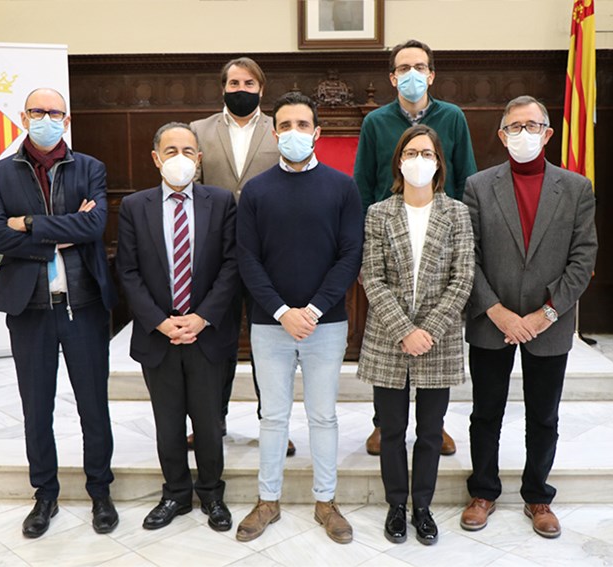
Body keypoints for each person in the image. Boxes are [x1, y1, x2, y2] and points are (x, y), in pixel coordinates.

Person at [0, 87, 119, 538]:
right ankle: (45, 495)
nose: (46, 118)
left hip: (84, 303)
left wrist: (28, 224)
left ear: (67, 119)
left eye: (54, 112)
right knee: (36, 408)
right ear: (23, 117)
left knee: (93, 406)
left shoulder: (89, 168)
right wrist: (60, 234)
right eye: (37, 111)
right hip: (29, 308)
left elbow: (94, 225)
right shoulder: (1, 173)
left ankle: (100, 492)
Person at [459, 96, 597, 538]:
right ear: (502, 136)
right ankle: (483, 491)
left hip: (549, 323)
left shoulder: (576, 188)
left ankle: (538, 495)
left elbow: (583, 258)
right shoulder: (478, 186)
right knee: (486, 412)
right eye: (514, 127)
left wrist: (546, 313)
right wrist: (496, 310)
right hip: (491, 320)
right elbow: (468, 256)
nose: (524, 133)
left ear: (547, 133)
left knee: (544, 415)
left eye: (532, 125)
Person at [235, 92, 363, 544]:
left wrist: (311, 310)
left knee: (323, 416)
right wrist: (281, 311)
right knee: (273, 417)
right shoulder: (256, 190)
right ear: (275, 134)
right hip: (269, 324)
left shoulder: (342, 187)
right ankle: (267, 500)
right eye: (285, 125)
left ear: (317, 132)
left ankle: (325, 501)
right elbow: (247, 259)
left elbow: (350, 255)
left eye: (302, 125)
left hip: (325, 324)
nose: (294, 132)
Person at [353, 39, 477, 457]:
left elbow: (466, 177)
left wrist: (461, 236)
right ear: (392, 77)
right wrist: (368, 244)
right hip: (389, 239)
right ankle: (383, 422)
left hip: (441, 236)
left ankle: (434, 424)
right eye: (403, 68)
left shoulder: (452, 117)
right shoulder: (376, 122)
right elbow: (363, 183)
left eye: (419, 67)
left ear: (431, 74)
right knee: (390, 340)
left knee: (435, 340)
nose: (412, 74)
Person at [116, 122, 238, 532]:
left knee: (208, 423)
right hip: (159, 335)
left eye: (188, 151)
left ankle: (212, 494)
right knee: (168, 424)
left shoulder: (221, 202)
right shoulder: (135, 206)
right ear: (156, 159)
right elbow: (128, 271)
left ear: (199, 159)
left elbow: (231, 265)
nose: (180, 158)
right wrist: (160, 322)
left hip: (207, 333)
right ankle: (175, 494)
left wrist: (202, 317)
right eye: (171, 151)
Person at [358, 124, 474, 545]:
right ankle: (396, 505)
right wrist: (405, 330)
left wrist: (429, 330)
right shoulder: (379, 213)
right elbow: (372, 277)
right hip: (389, 337)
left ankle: (422, 506)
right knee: (391, 431)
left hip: (438, 340)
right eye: (411, 153)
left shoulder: (456, 213)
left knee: (430, 431)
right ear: (399, 162)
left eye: (427, 154)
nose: (418, 161)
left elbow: (463, 279)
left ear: (439, 163)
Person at [190, 58, 296, 456]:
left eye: (249, 83)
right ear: (223, 87)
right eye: (234, 83)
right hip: (214, 255)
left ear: (261, 89)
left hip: (268, 255)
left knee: (269, 347)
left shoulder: (279, 129)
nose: (241, 89)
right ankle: (211, 421)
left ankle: (274, 424)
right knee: (215, 343)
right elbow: (192, 190)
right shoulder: (198, 131)